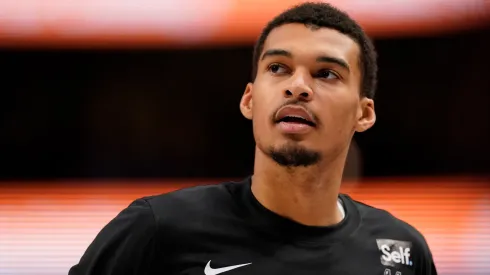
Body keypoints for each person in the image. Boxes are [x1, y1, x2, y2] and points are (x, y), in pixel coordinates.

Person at [69, 2, 437, 274]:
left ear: (364, 113)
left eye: (326, 73)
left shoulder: (402, 251)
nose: (297, 87)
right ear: (249, 99)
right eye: (278, 68)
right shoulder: (157, 229)